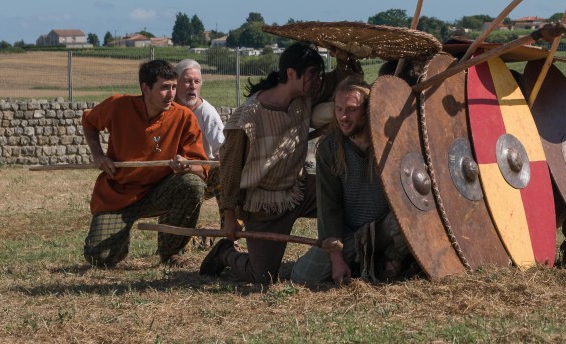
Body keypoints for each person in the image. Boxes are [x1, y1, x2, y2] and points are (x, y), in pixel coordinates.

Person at [199, 42, 361, 283]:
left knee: (347, 199)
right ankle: (225, 254)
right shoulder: (247, 117)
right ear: (290, 74)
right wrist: (230, 216)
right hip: (264, 205)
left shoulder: (305, 94)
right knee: (263, 277)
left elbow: (342, 82)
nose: (317, 80)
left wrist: (343, 58)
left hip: (300, 190)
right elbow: (230, 170)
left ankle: (348, 257)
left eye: (318, 74)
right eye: (312, 75)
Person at [81, 59, 209, 267]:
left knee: (192, 184)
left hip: (159, 192)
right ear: (145, 88)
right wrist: (98, 154)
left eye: (174, 87)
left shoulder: (184, 117)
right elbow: (88, 122)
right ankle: (119, 244)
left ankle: (171, 253)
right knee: (99, 258)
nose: (171, 94)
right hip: (118, 194)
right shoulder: (118, 106)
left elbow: (201, 169)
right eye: (165, 88)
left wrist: (186, 165)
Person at [290, 76, 411, 284]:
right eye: (339, 110)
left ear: (366, 109)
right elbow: (329, 208)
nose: (343, 117)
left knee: (403, 223)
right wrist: (336, 258)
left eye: (351, 109)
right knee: (302, 275)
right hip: (353, 238)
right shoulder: (329, 148)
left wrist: (395, 255)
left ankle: (391, 261)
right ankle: (365, 262)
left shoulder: (388, 142)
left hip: (387, 231)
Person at [174, 58, 224, 161]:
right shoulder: (167, 109)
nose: (193, 86)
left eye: (197, 82)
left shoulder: (207, 113)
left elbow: (223, 148)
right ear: (176, 83)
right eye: (187, 81)